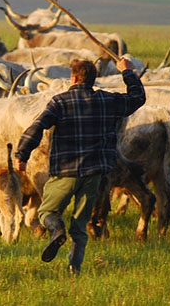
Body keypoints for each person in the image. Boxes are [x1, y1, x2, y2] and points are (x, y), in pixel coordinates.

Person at [15, 57, 145, 275]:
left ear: (73, 78)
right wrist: (127, 71)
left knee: (46, 211)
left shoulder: (60, 102)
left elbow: (38, 125)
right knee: (80, 224)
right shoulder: (107, 100)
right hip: (95, 173)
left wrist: (22, 154)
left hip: (65, 171)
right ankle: (74, 269)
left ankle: (57, 230)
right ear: (93, 79)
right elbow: (137, 98)